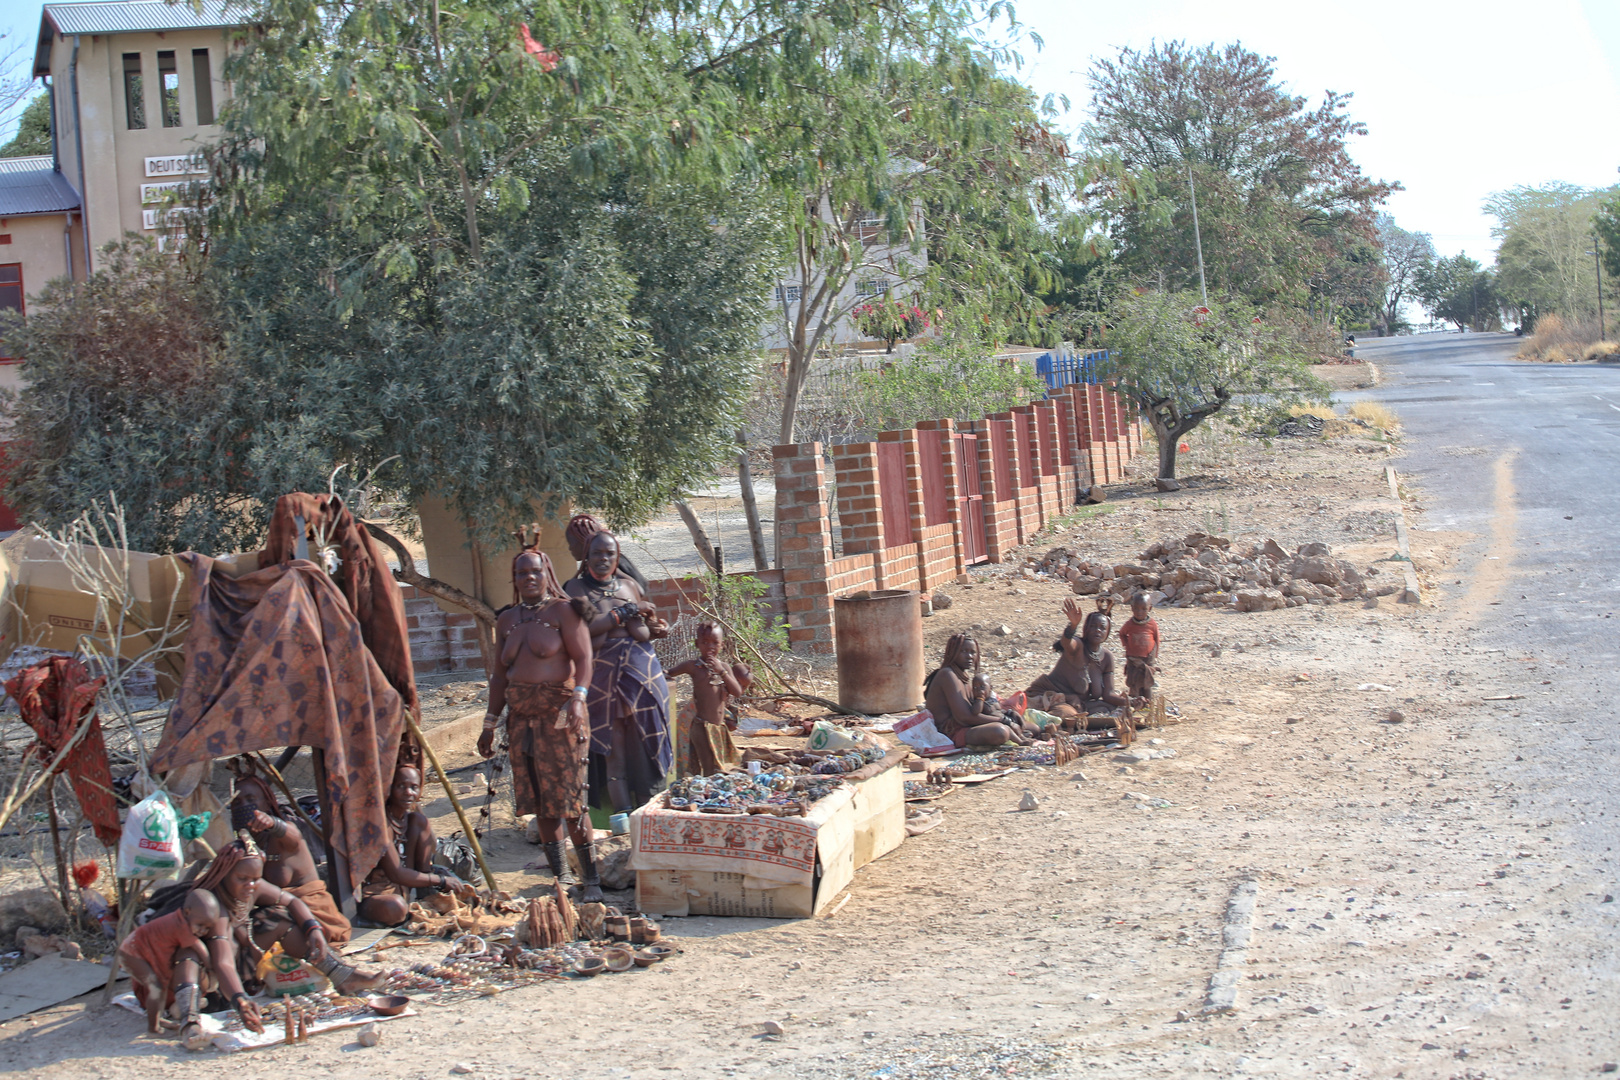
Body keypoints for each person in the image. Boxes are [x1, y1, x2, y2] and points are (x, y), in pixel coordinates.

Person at [160, 833, 384, 1037]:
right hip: (210, 982)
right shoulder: (213, 904)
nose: (250, 885)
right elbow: (222, 962)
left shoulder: (253, 887)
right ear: (226, 873)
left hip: (239, 968)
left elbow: (292, 901)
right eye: (242, 879)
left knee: (279, 917)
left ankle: (341, 975)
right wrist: (240, 1001)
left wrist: (313, 929)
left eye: (255, 879)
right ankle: (189, 1021)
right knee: (189, 953)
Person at [482, 537, 602, 901]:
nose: (528, 578)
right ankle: (561, 876)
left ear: (547, 573)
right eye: (521, 573)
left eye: (535, 571)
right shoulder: (506, 619)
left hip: (561, 716)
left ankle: (592, 878)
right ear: (514, 579)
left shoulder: (565, 612)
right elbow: (500, 677)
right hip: (521, 721)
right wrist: (489, 723)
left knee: (570, 798)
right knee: (540, 801)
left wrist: (579, 699)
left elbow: (584, 661)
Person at [564, 530, 673, 819]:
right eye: (597, 553)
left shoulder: (629, 585)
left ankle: (647, 810)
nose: (603, 559)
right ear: (587, 555)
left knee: (645, 740)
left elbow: (643, 630)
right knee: (613, 745)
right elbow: (585, 630)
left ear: (617, 556)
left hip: (643, 675)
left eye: (609, 554)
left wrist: (658, 630)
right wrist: (624, 614)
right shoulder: (575, 590)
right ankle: (622, 817)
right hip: (602, 678)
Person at [228, 768, 352, 948]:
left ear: (268, 803)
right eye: (237, 802)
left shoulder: (284, 835)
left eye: (250, 799)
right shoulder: (245, 845)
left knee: (268, 923)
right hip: (281, 915)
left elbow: (294, 836)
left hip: (313, 916)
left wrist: (272, 823)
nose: (244, 806)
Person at [358, 762, 476, 924]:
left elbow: (430, 851)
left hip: (404, 888)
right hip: (375, 893)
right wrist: (440, 880)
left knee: (419, 821)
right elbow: (396, 873)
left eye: (414, 787)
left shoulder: (412, 820)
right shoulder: (381, 823)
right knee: (396, 908)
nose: (408, 792)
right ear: (389, 788)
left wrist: (440, 877)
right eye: (401, 786)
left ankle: (423, 895)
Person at [118, 889, 221, 1042]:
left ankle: (160, 1017)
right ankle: (153, 1027)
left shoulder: (184, 921)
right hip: (131, 952)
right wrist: (212, 969)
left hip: (135, 949)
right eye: (200, 925)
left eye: (207, 928)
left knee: (159, 985)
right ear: (187, 912)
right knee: (156, 987)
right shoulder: (180, 925)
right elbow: (200, 948)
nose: (202, 931)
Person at [1025, 599, 1130, 728]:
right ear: (1085, 629)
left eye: (1102, 628)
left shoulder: (1107, 657)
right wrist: (1073, 626)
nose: (1097, 630)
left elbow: (1108, 695)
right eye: (1093, 626)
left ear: (1107, 633)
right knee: (1067, 714)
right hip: (1049, 698)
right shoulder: (1078, 646)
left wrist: (1129, 702)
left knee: (1110, 708)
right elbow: (1066, 643)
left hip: (1078, 703)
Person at [668, 623, 752, 776]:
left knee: (717, 765)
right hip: (701, 726)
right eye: (705, 642)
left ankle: (709, 791)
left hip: (718, 728)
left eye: (715, 643)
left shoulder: (724, 667)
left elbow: (737, 692)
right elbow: (669, 673)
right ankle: (706, 793)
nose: (710, 647)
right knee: (709, 766)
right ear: (697, 644)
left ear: (722, 645)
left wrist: (722, 672)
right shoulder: (693, 667)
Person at [922, 634, 1030, 748]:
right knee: (1001, 731)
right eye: (963, 651)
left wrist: (1008, 714)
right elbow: (964, 717)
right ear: (952, 652)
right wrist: (1005, 721)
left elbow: (977, 708)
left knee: (1029, 727)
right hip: (951, 733)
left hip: (968, 725)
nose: (969, 656)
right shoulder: (947, 674)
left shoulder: (964, 676)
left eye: (973, 652)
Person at [1118, 591, 1161, 707]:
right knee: (1134, 682)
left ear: (1150, 608)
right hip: (1133, 659)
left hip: (1148, 659)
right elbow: (1122, 634)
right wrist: (1127, 645)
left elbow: (1157, 638)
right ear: (1132, 608)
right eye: (1136, 609)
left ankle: (1149, 704)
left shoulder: (1152, 624)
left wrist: (1155, 655)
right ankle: (1135, 704)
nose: (1139, 612)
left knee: (1147, 683)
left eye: (1143, 609)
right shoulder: (1130, 624)